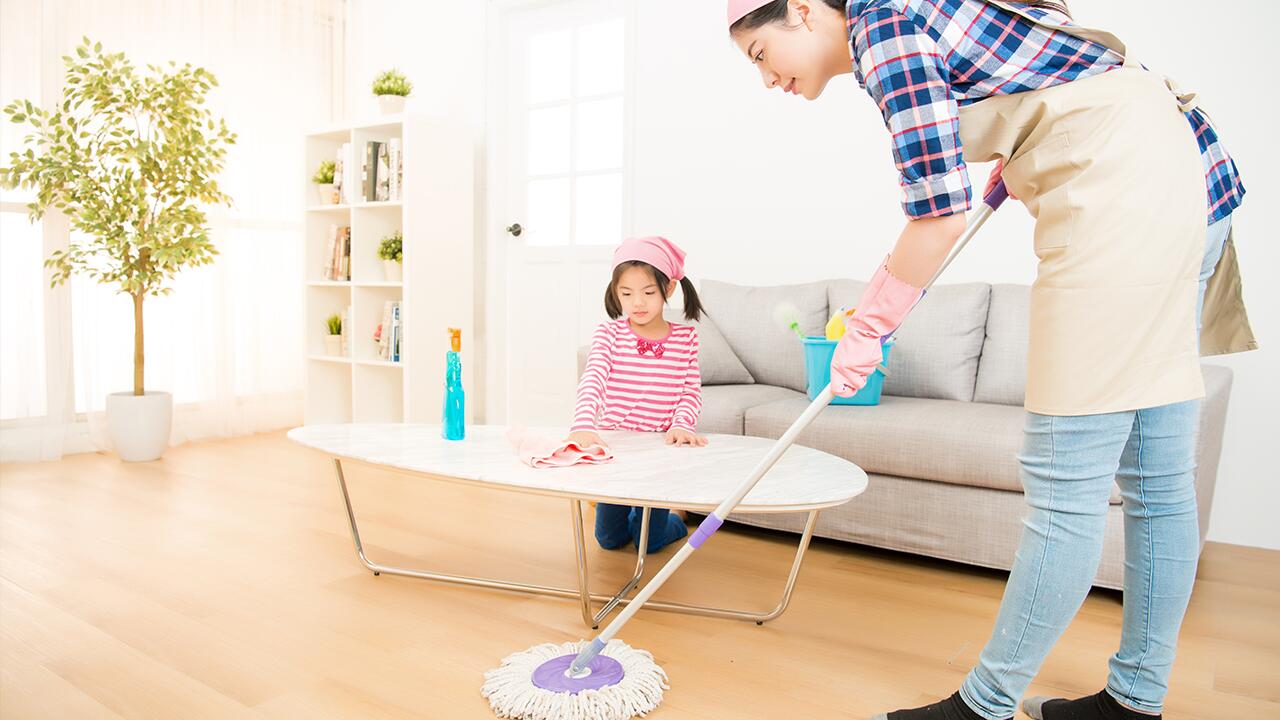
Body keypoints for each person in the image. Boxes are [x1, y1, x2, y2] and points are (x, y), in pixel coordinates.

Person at [726, 1, 1256, 718]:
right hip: (1184, 172)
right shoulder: (910, 10)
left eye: (761, 54)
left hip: (1124, 194)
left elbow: (937, 213)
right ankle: (1135, 700)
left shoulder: (880, 27)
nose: (767, 79)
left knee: (1066, 476)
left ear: (802, 11)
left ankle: (985, 706)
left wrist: (870, 326)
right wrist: (1022, 146)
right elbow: (1048, 51)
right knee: (1155, 481)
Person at [568, 235, 709, 553]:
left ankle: (673, 518)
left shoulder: (685, 338)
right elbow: (593, 379)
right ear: (615, 292)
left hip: (658, 454)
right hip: (615, 452)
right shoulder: (609, 333)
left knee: (650, 542)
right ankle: (633, 512)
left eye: (648, 293)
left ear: (669, 289)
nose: (637, 303)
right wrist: (583, 425)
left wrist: (682, 424)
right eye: (626, 293)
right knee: (609, 540)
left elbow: (690, 391)